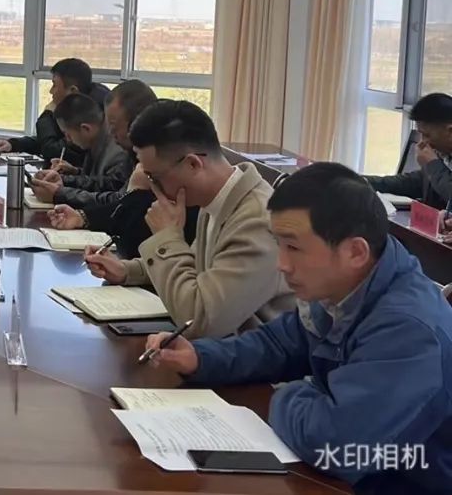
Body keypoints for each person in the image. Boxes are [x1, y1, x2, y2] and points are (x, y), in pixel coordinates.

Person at [147, 163, 452, 494]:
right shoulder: (345, 285)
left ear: (355, 251)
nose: (281, 264)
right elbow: (279, 344)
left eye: (293, 247)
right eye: (278, 244)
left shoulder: (409, 331)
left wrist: (287, 393)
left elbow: (336, 445)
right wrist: (201, 357)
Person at [84, 100, 294, 338]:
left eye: (154, 177)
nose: (152, 187)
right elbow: (197, 267)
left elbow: (197, 320)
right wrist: (126, 270)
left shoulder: (256, 221)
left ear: (193, 164)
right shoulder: (218, 198)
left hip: (248, 356)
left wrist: (166, 238)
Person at [48, 80, 159, 233]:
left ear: (137, 123)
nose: (110, 133)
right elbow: (113, 186)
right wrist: (68, 181)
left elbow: (119, 201)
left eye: (113, 125)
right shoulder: (132, 152)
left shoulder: (134, 156)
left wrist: (61, 194)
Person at [0, 58, 102, 162]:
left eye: (54, 85)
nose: (51, 91)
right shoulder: (78, 107)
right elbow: (48, 139)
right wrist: (14, 144)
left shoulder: (88, 118)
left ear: (73, 91)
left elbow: (50, 149)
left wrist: (47, 114)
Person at [29, 93, 127, 207]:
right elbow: (99, 180)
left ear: (85, 128)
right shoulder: (97, 140)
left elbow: (109, 193)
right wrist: (74, 173)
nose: (68, 140)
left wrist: (59, 193)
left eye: (68, 134)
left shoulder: (118, 152)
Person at [366, 92, 452, 209]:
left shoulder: (436, 162)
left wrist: (432, 165)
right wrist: (363, 181)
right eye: (421, 134)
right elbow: (415, 182)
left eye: (427, 135)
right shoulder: (443, 155)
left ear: (450, 131)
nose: (422, 142)